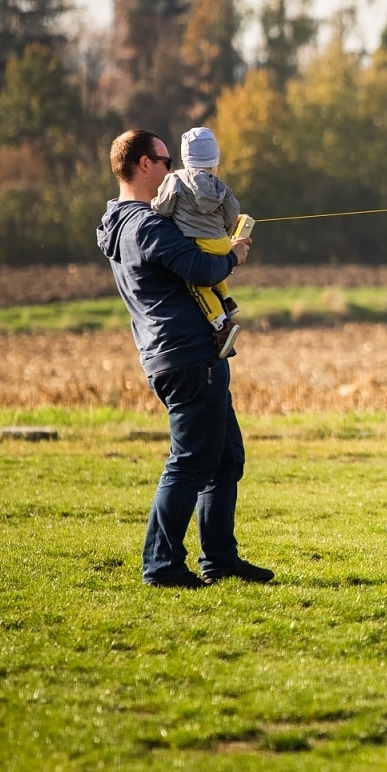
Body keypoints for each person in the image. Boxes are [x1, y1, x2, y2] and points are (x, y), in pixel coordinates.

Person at [97, 129, 272, 589]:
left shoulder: (123, 223)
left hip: (184, 355)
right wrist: (233, 255)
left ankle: (219, 559)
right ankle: (162, 566)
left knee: (225, 457)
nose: (172, 166)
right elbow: (201, 268)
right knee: (191, 461)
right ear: (142, 165)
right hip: (187, 356)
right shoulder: (146, 225)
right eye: (164, 158)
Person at [152, 126, 243, 359]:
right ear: (215, 161)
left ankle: (222, 325)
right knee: (217, 264)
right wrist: (226, 231)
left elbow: (163, 206)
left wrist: (154, 209)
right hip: (222, 241)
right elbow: (232, 211)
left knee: (198, 286)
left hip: (197, 241)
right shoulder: (219, 185)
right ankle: (227, 299)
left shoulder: (176, 179)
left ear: (185, 158)